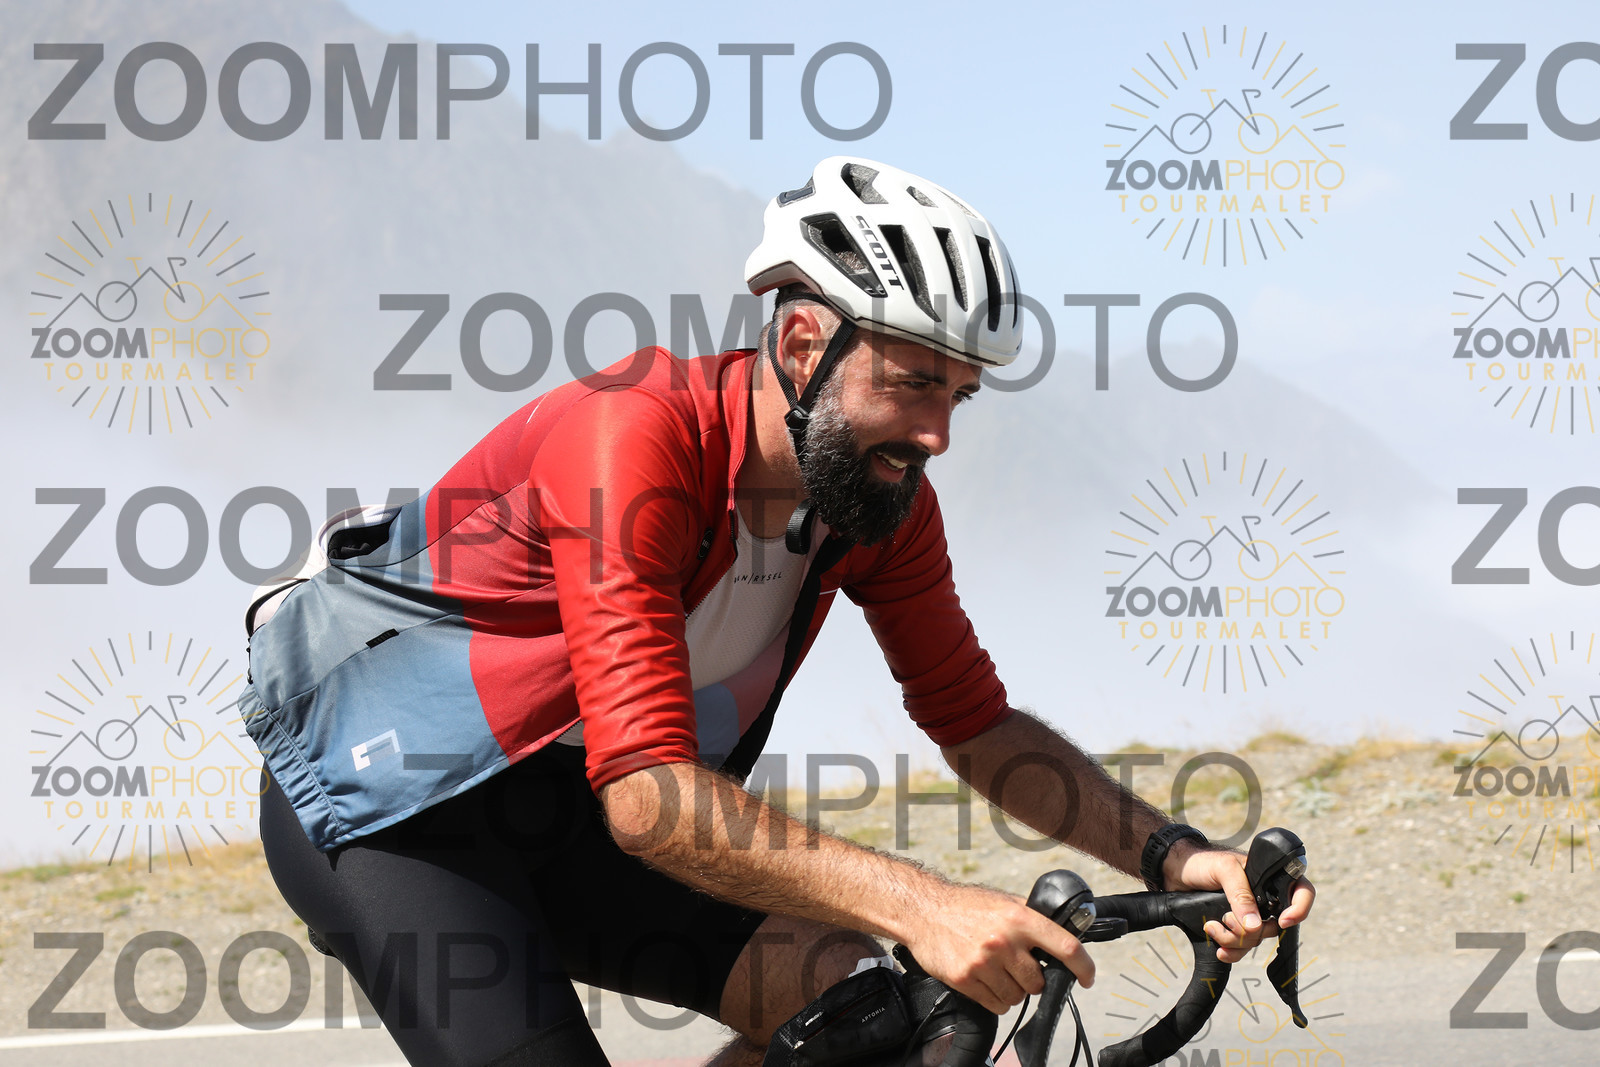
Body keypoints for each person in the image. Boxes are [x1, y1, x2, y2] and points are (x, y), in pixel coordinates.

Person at [241, 156, 1315, 1066]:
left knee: (866, 1015)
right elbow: (649, 795)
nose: (938, 433)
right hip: (399, 810)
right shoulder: (632, 438)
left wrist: (1176, 854)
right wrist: (925, 903)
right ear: (804, 346)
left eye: (958, 396)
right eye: (912, 383)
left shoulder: (877, 496)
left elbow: (976, 722)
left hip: (574, 811)